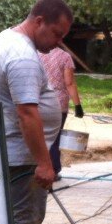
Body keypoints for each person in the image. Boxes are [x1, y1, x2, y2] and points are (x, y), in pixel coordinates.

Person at [0, 0, 73, 224]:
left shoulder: (7, 37)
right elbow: (27, 113)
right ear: (38, 22)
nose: (60, 43)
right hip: (22, 159)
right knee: (24, 221)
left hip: (13, 155)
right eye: (57, 34)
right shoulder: (23, 56)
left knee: (14, 221)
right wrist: (44, 163)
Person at [38, 45, 83, 180]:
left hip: (40, 101)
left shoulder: (36, 54)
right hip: (59, 104)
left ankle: (39, 167)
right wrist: (78, 105)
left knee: (40, 136)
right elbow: (69, 83)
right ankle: (54, 170)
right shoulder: (65, 57)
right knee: (55, 138)